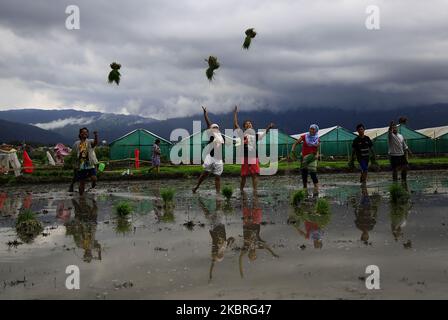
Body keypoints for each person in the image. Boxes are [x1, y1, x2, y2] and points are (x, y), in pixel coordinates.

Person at [233, 106, 274, 193]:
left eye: (250, 123)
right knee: (243, 175)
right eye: (246, 124)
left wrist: (269, 127)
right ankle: (241, 190)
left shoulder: (256, 135)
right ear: (244, 127)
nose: (248, 124)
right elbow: (236, 124)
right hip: (245, 157)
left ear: (252, 125)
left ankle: (255, 191)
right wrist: (235, 113)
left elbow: (264, 133)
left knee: (254, 174)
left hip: (254, 156)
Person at [192, 106, 226, 194]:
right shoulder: (211, 135)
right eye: (213, 128)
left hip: (218, 159)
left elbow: (222, 145)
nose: (214, 129)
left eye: (216, 128)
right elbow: (208, 124)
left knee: (217, 177)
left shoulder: (222, 137)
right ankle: (196, 187)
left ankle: (218, 193)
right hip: (211, 158)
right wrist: (205, 114)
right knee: (204, 174)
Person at [291, 124, 320, 196]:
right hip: (304, 157)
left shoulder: (317, 139)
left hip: (312, 158)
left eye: (313, 129)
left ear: (316, 130)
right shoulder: (305, 136)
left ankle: (316, 189)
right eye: (310, 129)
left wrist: (317, 155)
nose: (311, 130)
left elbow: (317, 149)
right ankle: (305, 189)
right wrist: (292, 149)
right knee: (304, 173)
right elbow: (296, 143)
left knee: (313, 174)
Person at [71, 128, 99, 195]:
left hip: (89, 163)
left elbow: (95, 143)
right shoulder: (76, 144)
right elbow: (74, 155)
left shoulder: (90, 141)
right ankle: (81, 198)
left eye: (86, 132)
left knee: (94, 178)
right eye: (83, 132)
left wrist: (96, 135)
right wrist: (75, 165)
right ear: (80, 134)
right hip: (81, 164)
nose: (84, 133)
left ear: (88, 134)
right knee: (82, 182)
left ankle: (93, 185)